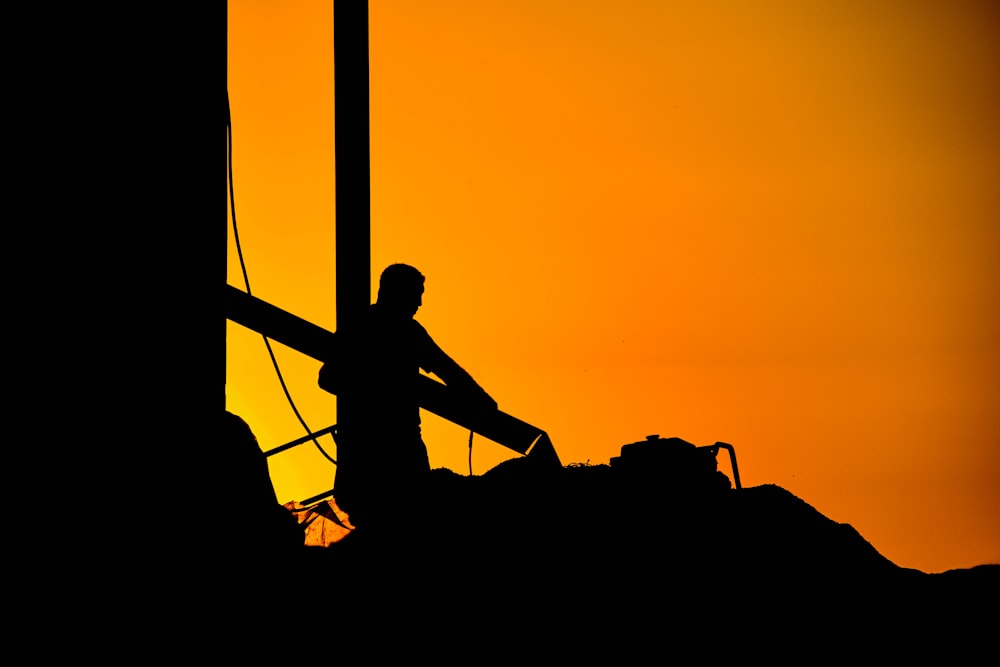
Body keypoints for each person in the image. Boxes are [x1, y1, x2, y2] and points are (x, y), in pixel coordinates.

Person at [318, 264, 497, 535]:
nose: (420, 303)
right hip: (389, 449)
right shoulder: (402, 332)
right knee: (406, 521)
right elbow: (446, 369)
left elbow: (447, 369)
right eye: (416, 294)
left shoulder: (367, 327)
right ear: (397, 293)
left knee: (379, 522)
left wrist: (481, 400)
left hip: (367, 448)